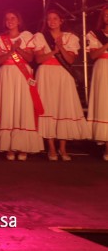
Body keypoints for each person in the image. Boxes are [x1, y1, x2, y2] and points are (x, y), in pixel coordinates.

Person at [35, 10, 89, 160]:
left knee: (63, 109)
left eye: (55, 19)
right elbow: (39, 60)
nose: (52, 22)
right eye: (49, 19)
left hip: (63, 75)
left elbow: (70, 60)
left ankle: (63, 148)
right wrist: (54, 50)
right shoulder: (40, 37)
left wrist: (61, 47)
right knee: (48, 108)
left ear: (61, 21)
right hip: (46, 74)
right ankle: (51, 147)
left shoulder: (70, 37)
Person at [0, 11, 42, 161]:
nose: (10, 21)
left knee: (23, 106)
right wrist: (11, 50)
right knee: (8, 106)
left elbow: (30, 58)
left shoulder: (27, 36)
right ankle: (9, 146)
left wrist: (18, 48)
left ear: (19, 21)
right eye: (7, 19)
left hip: (22, 75)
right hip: (7, 74)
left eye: (13, 18)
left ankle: (23, 147)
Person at [87, 6, 108, 160]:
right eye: (106, 15)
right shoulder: (95, 34)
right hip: (102, 69)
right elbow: (93, 55)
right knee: (104, 105)